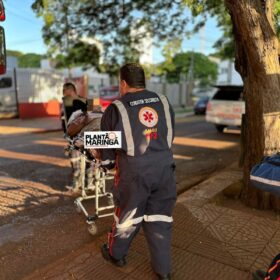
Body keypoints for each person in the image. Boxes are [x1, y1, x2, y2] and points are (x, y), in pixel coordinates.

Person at [100, 63, 176, 280]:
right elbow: (169, 135)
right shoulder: (163, 101)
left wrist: (105, 162)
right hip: (164, 168)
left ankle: (116, 255)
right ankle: (163, 272)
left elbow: (107, 151)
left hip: (134, 172)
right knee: (160, 219)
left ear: (123, 83)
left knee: (127, 217)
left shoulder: (116, 107)